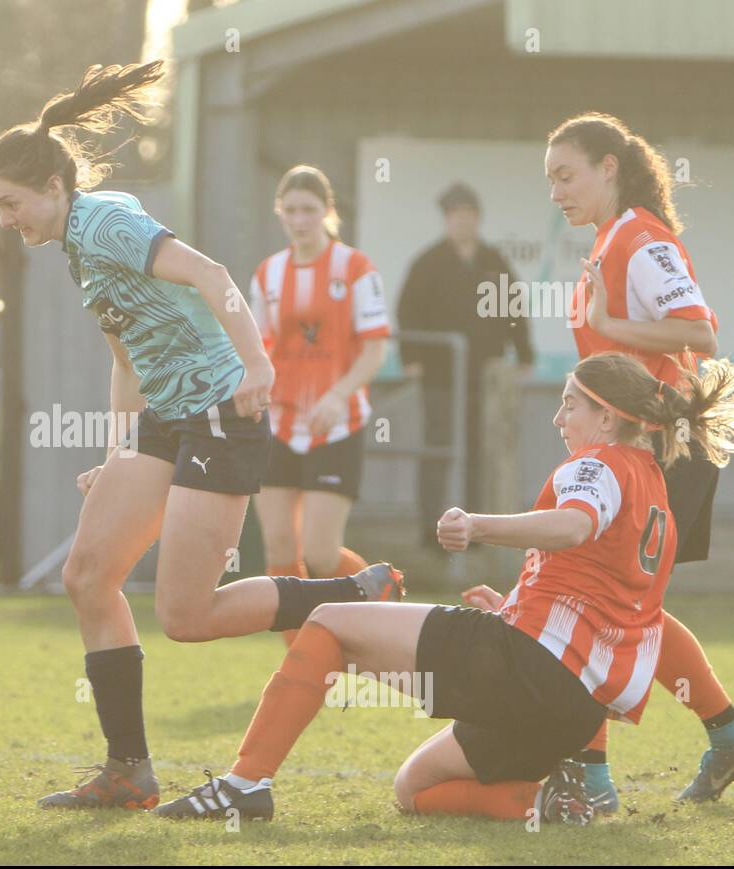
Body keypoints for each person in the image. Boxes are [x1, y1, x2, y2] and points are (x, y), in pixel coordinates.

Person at [0, 61, 404, 812]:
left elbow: (211, 274)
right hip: (167, 420)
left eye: (10, 204)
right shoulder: (77, 245)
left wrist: (256, 364)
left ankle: (351, 590)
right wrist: (116, 452)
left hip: (218, 413)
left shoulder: (105, 221)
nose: (6, 221)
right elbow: (125, 355)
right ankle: (128, 773)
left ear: (52, 187)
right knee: (87, 577)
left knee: (186, 615)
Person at [154, 352, 734, 826]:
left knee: (330, 621)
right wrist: (514, 605)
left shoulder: (598, 461)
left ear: (607, 418)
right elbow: (604, 590)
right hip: (574, 710)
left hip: (529, 665)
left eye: (570, 405)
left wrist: (478, 526)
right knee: (415, 788)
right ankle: (550, 804)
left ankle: (244, 783)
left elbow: (573, 526)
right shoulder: (653, 484)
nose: (558, 418)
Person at [542, 112, 732, 810]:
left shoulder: (642, 239)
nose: (557, 190)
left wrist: (615, 326)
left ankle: (590, 781)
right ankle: (723, 731)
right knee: (617, 608)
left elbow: (700, 332)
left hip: (661, 452)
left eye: (567, 174)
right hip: (634, 455)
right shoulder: (609, 241)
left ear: (608, 167)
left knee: (595, 603)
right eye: (550, 180)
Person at [248, 165, 389, 646]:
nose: (300, 219)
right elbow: (257, 349)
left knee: (321, 553)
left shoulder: (355, 268)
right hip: (279, 423)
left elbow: (375, 349)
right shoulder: (268, 273)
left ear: (328, 212)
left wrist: (337, 395)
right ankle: (301, 655)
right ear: (279, 213)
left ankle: (387, 596)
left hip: (337, 424)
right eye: (290, 210)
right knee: (281, 548)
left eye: (309, 209)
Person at [397, 182, 534, 545]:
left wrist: (524, 354)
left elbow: (514, 308)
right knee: (439, 450)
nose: (463, 222)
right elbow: (407, 312)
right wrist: (411, 358)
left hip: (483, 376)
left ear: (478, 219)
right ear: (446, 220)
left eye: (469, 215)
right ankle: (432, 532)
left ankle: (471, 531)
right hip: (440, 376)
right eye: (456, 216)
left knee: (478, 453)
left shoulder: (493, 261)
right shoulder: (428, 263)